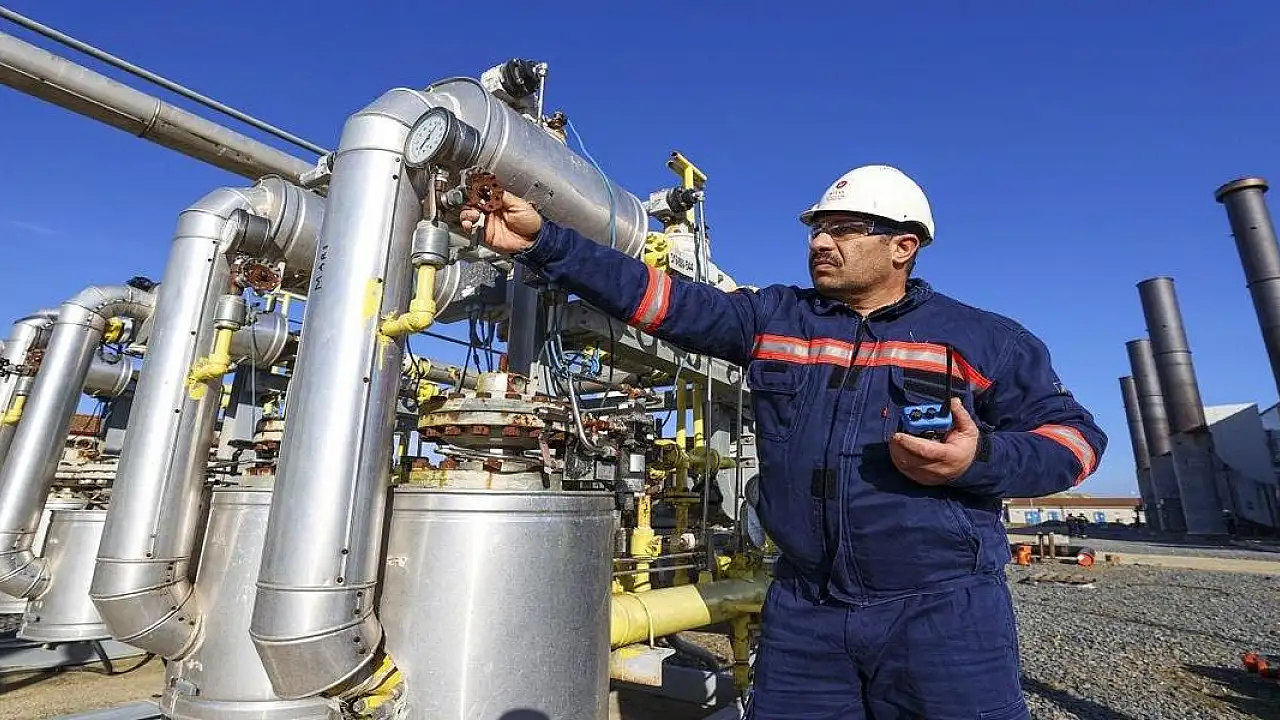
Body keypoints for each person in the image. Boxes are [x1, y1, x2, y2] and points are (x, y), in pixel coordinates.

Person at [460, 164, 1107, 720]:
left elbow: (1076, 441)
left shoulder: (985, 340)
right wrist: (543, 241)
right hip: (806, 609)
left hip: (942, 613)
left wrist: (979, 459)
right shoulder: (774, 319)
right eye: (816, 229)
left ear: (903, 246)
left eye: (845, 229)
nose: (821, 241)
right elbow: (661, 300)